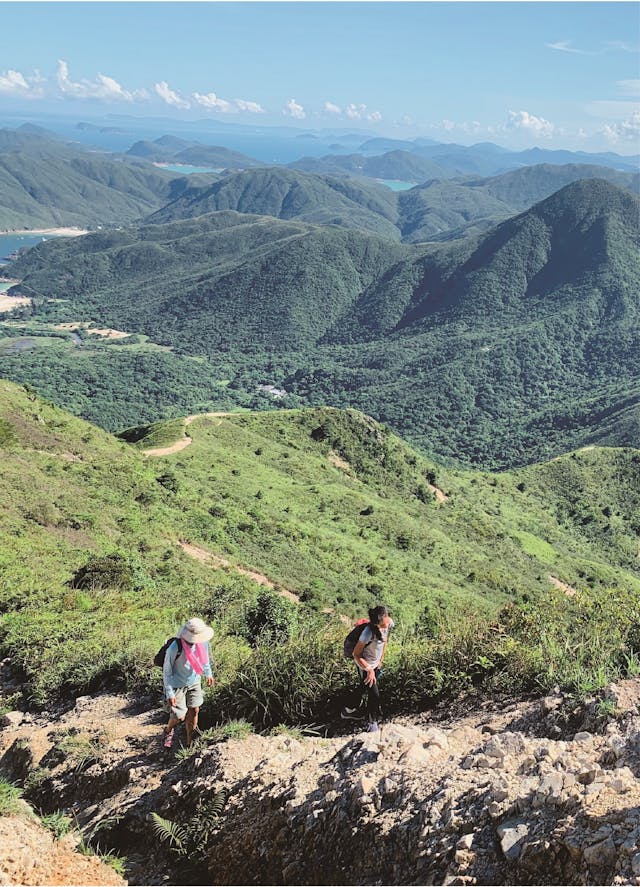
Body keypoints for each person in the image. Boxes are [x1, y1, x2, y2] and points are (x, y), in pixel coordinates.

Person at [162, 617, 215, 748]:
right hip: (177, 684)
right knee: (179, 717)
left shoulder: (203, 643)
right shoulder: (175, 647)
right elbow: (167, 671)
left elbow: (205, 659)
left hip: (194, 680)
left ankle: (189, 743)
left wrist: (208, 673)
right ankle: (168, 730)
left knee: (194, 710)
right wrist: (170, 693)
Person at [341, 605, 394, 733]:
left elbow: (385, 640)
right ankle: (372, 723)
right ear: (376, 624)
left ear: (387, 616)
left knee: (364, 686)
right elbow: (356, 654)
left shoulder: (389, 623)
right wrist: (369, 669)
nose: (385, 626)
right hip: (365, 664)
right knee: (374, 694)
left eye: (385, 623)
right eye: (381, 625)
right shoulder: (367, 633)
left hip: (375, 663)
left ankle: (347, 710)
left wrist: (381, 660)